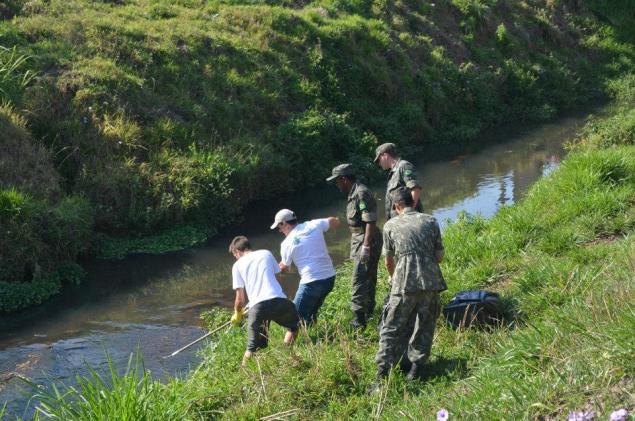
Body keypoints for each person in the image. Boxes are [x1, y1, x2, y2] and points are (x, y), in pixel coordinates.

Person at [374, 187, 447, 384]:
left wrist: (393, 277)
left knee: (391, 327)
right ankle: (416, 370)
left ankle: (381, 375)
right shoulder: (430, 220)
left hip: (404, 284)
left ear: (397, 206)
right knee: (425, 325)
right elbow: (439, 257)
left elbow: (388, 260)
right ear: (412, 203)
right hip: (431, 282)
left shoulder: (390, 226)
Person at [326, 163, 382, 329]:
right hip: (360, 237)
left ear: (344, 179)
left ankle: (359, 320)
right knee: (368, 276)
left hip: (366, 238)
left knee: (359, 279)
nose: (336, 185)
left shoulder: (360, 193)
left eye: (337, 181)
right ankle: (369, 311)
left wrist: (365, 246)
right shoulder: (353, 193)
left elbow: (370, 221)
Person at [229, 236, 300, 366]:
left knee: (252, 347)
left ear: (237, 251)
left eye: (235, 255)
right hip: (278, 300)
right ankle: (286, 353)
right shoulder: (266, 253)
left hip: (258, 307)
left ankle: (243, 372)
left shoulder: (237, 265)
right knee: (294, 327)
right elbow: (278, 278)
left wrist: (237, 313)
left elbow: (240, 299)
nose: (236, 257)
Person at [271, 209, 340, 326]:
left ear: (284, 224)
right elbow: (334, 221)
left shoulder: (286, 243)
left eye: (279, 227)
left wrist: (272, 270)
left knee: (293, 318)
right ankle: (314, 335)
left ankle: (287, 344)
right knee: (311, 312)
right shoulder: (314, 224)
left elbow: (285, 268)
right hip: (329, 278)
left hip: (311, 282)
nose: (280, 230)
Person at [374, 142, 423, 221]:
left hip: (408, 221)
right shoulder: (393, 173)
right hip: (398, 222)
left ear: (385, 156)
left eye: (379, 160)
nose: (379, 163)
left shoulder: (404, 166)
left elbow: (415, 189)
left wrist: (406, 216)